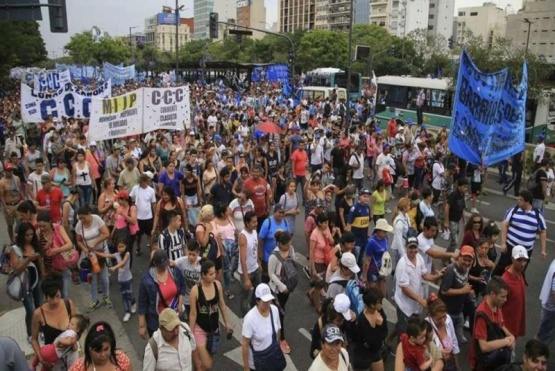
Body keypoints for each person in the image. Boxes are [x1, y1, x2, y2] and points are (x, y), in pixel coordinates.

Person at [393, 237, 444, 339]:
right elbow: (405, 288)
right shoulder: (403, 264)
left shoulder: (419, 258)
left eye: (415, 247)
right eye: (410, 247)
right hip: (405, 305)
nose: (413, 250)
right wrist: (420, 300)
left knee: (412, 329)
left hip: (415, 304)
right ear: (406, 248)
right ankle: (401, 351)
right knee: (404, 333)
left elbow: (424, 275)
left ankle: (389, 342)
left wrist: (436, 276)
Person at [188, 260, 233, 371]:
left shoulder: (217, 285)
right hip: (200, 330)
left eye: (215, 273)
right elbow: (193, 313)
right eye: (211, 274)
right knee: (207, 364)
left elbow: (222, 305)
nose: (214, 276)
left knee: (209, 361)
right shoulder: (195, 291)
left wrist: (227, 323)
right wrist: (190, 333)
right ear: (203, 275)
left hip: (214, 330)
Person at [31, 272, 79, 370]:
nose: (55, 301)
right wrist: (41, 359)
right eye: (51, 298)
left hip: (72, 356)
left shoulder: (68, 304)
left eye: (57, 296)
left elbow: (78, 328)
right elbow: (34, 339)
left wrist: (73, 341)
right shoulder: (39, 313)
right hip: (53, 361)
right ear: (45, 296)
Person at [493, 190, 546, 277]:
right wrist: (503, 243)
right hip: (510, 247)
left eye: (521, 199)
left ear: (527, 201)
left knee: (519, 271)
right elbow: (504, 225)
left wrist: (543, 250)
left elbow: (542, 231)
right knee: (502, 268)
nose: (518, 201)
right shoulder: (513, 210)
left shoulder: (537, 214)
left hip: (526, 251)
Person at [468, 277, 515, 371]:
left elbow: (501, 325)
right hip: (483, 364)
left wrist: (511, 336)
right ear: (493, 294)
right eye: (502, 296)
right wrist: (506, 341)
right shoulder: (482, 314)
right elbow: (484, 347)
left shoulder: (496, 306)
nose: (505, 299)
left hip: (496, 359)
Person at [138, 249, 186, 338]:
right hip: (156, 323)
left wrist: (180, 304)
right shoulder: (147, 280)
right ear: (155, 264)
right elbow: (142, 303)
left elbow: (182, 286)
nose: (164, 267)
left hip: (174, 319)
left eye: (166, 264)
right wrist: (142, 326)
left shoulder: (174, 271)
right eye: (161, 266)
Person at [241, 283, 286, 371]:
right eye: (265, 301)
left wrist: (278, 347)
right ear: (257, 301)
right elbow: (245, 344)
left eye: (269, 300)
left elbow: (278, 331)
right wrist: (246, 368)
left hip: (273, 358)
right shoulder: (250, 318)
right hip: (257, 364)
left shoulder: (274, 310)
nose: (268, 304)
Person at [75, 205, 111, 312]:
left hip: (101, 252)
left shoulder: (97, 219)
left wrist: (95, 243)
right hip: (90, 254)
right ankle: (95, 300)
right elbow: (79, 241)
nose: (82, 220)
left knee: (104, 277)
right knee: (92, 278)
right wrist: (85, 249)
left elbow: (106, 233)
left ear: (88, 214)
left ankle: (106, 296)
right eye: (80, 218)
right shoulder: (79, 225)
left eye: (83, 217)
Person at [10, 222, 42, 341]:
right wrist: (28, 259)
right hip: (24, 284)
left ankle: (41, 330)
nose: (30, 237)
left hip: (37, 280)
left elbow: (40, 262)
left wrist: (44, 276)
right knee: (31, 310)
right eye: (27, 235)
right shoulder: (15, 249)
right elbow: (16, 269)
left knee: (40, 306)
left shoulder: (35, 244)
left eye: (32, 235)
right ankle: (30, 334)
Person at [439, 245, 475, 345]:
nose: (467, 263)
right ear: (459, 256)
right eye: (464, 259)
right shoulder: (451, 270)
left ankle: (457, 339)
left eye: (469, 261)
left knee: (458, 328)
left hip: (458, 309)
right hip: (447, 310)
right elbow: (444, 291)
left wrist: (469, 291)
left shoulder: (466, 269)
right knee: (445, 338)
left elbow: (464, 282)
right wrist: (463, 291)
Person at [268, 230, 296, 354]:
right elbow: (271, 274)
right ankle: (281, 339)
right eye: (286, 245)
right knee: (280, 314)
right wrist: (282, 286)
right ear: (279, 244)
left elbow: (293, 263)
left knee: (280, 311)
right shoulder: (274, 256)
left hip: (288, 288)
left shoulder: (290, 250)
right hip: (277, 291)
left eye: (289, 244)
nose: (288, 247)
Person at [97, 239, 136, 322]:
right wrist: (96, 253)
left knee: (129, 295)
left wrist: (114, 267)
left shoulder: (127, 254)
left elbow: (123, 263)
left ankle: (133, 303)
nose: (120, 248)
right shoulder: (117, 255)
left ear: (126, 247)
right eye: (119, 247)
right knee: (124, 296)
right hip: (121, 279)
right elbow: (106, 255)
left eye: (122, 246)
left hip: (128, 278)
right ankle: (127, 312)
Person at [36, 212, 73, 298]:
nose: (42, 228)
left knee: (65, 295)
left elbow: (69, 244)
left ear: (49, 222)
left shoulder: (58, 228)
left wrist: (56, 250)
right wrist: (46, 247)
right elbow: (39, 253)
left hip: (61, 268)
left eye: (44, 226)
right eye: (40, 226)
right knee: (51, 296)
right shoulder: (38, 233)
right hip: (48, 270)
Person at [351, 288, 388, 371]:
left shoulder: (379, 311)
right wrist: (377, 325)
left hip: (375, 352)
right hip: (362, 355)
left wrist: (381, 323)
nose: (382, 303)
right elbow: (372, 341)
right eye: (380, 302)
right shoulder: (362, 320)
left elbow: (385, 332)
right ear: (372, 304)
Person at [501, 245, 527, 346]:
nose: (522, 263)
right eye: (519, 260)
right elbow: (497, 308)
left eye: (525, 260)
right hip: (506, 328)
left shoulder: (520, 274)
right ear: (512, 259)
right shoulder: (505, 281)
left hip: (516, 322)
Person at [425, 295, 460, 370]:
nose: (443, 321)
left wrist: (457, 365)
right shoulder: (426, 326)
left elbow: (454, 341)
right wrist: (439, 354)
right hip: (435, 365)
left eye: (444, 316)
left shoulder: (448, 319)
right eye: (439, 319)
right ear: (431, 316)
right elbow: (423, 350)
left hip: (450, 363)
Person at [362, 218, 393, 297]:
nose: (386, 233)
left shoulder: (385, 238)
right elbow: (367, 261)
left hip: (382, 269)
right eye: (384, 231)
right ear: (378, 230)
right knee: (373, 292)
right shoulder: (371, 243)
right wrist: (364, 276)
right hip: (373, 270)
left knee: (382, 294)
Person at [238, 211, 261, 316]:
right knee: (244, 297)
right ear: (247, 223)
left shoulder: (254, 231)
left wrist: (258, 263)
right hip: (246, 272)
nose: (256, 223)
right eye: (253, 222)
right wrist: (246, 278)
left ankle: (254, 313)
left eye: (256, 221)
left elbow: (255, 249)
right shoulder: (243, 236)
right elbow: (243, 259)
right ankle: (245, 317)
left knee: (257, 293)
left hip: (255, 269)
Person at [258, 204, 290, 281]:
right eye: (280, 212)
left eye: (283, 212)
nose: (282, 215)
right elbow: (260, 239)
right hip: (267, 256)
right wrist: (260, 252)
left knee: (278, 277)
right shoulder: (267, 223)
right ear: (274, 212)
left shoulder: (285, 223)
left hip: (281, 257)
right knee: (267, 277)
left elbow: (288, 239)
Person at [174, 239, 202, 318]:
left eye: (193, 255)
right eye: (189, 254)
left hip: (198, 299)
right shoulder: (182, 261)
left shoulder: (202, 263)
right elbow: (172, 263)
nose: (191, 257)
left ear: (198, 253)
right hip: (186, 300)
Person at [130, 172, 156, 256]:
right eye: (140, 182)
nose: (140, 183)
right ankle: (138, 248)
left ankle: (152, 250)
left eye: (142, 182)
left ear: (146, 181)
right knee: (138, 235)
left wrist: (155, 215)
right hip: (138, 217)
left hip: (148, 217)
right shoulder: (135, 188)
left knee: (150, 235)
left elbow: (153, 204)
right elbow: (130, 197)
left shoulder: (151, 190)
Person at [1, 160, 24, 242]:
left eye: (11, 170)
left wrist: (24, 200)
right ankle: (12, 241)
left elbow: (20, 190)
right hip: (9, 205)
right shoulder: (2, 182)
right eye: (8, 170)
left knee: (20, 223)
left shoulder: (16, 178)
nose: (10, 172)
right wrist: (6, 208)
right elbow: (2, 196)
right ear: (5, 171)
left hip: (17, 204)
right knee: (10, 225)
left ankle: (20, 240)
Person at [444, 178, 469, 255]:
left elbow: (462, 209)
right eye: (464, 187)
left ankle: (448, 256)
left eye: (466, 187)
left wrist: (464, 222)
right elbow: (447, 207)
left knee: (454, 241)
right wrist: (446, 221)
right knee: (455, 242)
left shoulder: (462, 195)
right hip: (452, 221)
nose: (466, 189)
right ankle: (446, 257)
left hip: (458, 221)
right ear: (459, 187)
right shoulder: (454, 195)